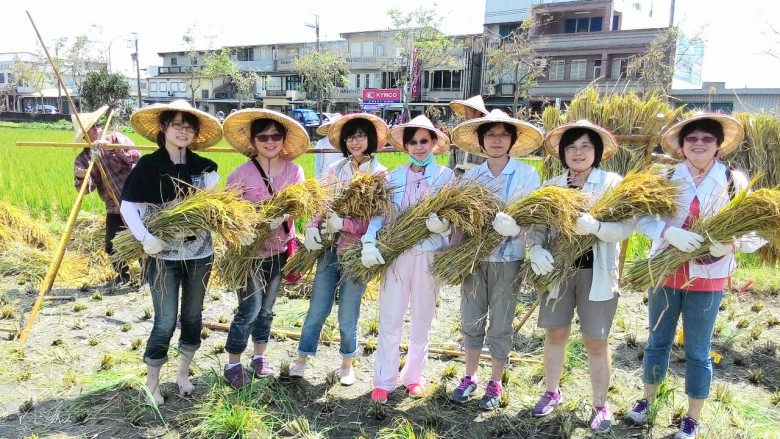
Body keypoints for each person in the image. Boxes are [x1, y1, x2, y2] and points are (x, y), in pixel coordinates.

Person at [628, 114, 764, 439]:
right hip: (665, 271)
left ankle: (692, 418)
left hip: (709, 277)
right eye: (692, 139)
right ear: (682, 145)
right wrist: (667, 232)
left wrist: (730, 244)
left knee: (698, 350)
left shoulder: (733, 180)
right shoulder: (666, 177)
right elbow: (642, 220)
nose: (699, 144)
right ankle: (647, 400)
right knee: (657, 342)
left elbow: (757, 231)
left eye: (707, 138)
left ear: (718, 145)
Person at [526, 121, 631, 433]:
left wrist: (597, 228)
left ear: (596, 152)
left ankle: (600, 405)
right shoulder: (552, 186)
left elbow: (627, 227)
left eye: (586, 146)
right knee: (555, 333)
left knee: (595, 340)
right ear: (563, 153)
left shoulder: (612, 184)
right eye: (571, 147)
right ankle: (551, 392)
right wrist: (536, 249)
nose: (578, 152)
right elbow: (537, 227)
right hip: (558, 273)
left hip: (595, 272)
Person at [120, 99, 223, 405]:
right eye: (177, 124)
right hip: (164, 258)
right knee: (165, 320)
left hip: (200, 255)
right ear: (163, 128)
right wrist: (145, 238)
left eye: (189, 126)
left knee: (193, 317)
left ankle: (182, 375)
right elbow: (129, 207)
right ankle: (152, 384)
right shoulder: (148, 166)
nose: (183, 131)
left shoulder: (204, 167)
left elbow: (215, 207)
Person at [448, 109, 543, 410]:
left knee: (501, 323)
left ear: (512, 140)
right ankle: (470, 376)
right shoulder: (472, 176)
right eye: (491, 135)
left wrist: (518, 229)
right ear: (481, 141)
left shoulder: (527, 174)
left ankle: (496, 381)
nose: (497, 140)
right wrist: (451, 250)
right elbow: (462, 220)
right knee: (471, 318)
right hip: (475, 260)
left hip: (509, 259)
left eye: (503, 134)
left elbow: (536, 217)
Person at [290, 113, 389, 384]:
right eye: (350, 136)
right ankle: (301, 358)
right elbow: (323, 204)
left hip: (357, 252)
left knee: (348, 311)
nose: (355, 142)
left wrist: (345, 223)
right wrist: (313, 225)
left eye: (360, 136)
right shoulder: (337, 169)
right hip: (329, 249)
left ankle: (347, 363)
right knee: (317, 307)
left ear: (369, 139)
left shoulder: (378, 174)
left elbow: (376, 218)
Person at [361, 115, 454, 404]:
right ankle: (383, 381)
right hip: (397, 254)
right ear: (405, 146)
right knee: (390, 316)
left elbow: (454, 219)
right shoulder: (394, 177)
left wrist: (444, 227)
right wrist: (369, 239)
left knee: (422, 318)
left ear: (434, 143)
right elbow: (380, 214)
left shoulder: (446, 177)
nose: (418, 147)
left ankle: (414, 377)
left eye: (424, 141)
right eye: (412, 142)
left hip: (429, 254)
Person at [220, 109, 308, 389]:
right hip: (247, 255)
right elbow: (227, 217)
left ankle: (259, 357)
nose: (269, 141)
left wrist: (285, 216)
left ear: (283, 139)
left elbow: (302, 205)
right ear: (253, 141)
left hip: (280, 250)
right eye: (263, 137)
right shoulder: (240, 174)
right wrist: (248, 228)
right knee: (250, 307)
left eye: (275, 136)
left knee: (267, 309)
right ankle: (233, 363)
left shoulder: (295, 171)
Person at [72, 105, 139, 285]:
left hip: (136, 200)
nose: (97, 128)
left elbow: (135, 155)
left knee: (142, 237)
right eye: (92, 128)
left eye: (97, 125)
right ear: (85, 136)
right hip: (114, 206)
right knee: (111, 244)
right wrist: (82, 176)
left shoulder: (116, 139)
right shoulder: (82, 159)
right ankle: (122, 275)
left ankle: (148, 273)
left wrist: (113, 149)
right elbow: (86, 190)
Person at [447, 95, 489, 175]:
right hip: (458, 178)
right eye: (465, 110)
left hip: (479, 178)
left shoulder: (487, 135)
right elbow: (452, 162)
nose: (466, 113)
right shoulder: (460, 134)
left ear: (478, 112)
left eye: (468, 110)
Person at [312, 113, 343, 180]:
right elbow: (318, 165)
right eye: (334, 127)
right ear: (329, 128)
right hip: (326, 178)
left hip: (343, 178)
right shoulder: (321, 143)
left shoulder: (347, 143)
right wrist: (317, 182)